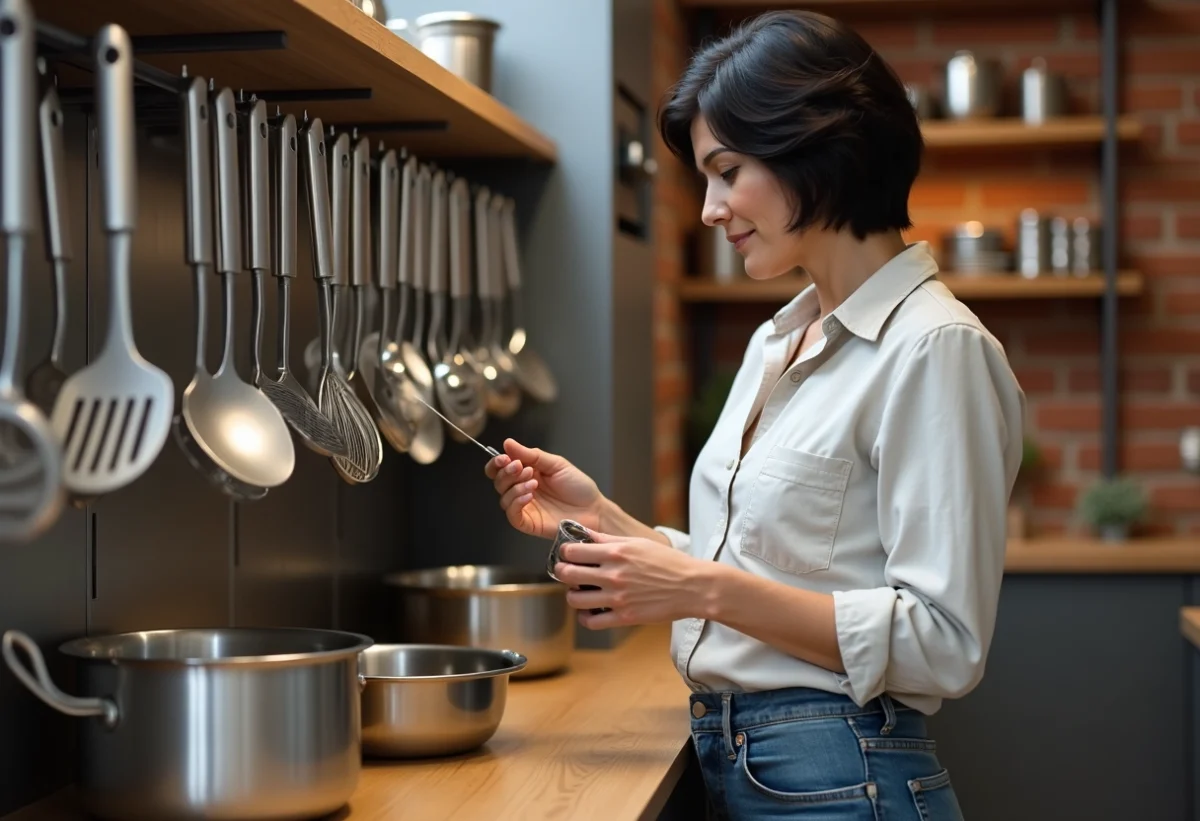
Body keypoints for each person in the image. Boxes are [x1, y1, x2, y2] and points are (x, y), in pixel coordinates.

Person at [484, 9, 1025, 820]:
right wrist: (602, 517)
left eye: (727, 170)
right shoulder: (778, 340)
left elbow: (943, 642)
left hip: (842, 775)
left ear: (819, 148)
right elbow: (762, 568)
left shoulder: (934, 347)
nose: (709, 208)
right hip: (748, 763)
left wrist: (700, 588)